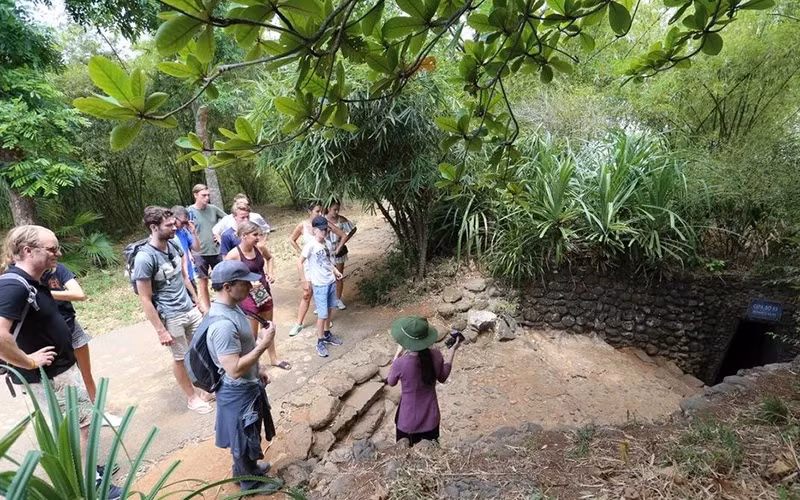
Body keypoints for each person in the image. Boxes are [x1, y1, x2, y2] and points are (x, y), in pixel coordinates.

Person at [0, 225, 123, 498]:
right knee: (79, 428)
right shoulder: (12, 285)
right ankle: (89, 483)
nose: (58, 253)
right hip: (51, 376)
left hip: (60, 371)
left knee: (79, 425)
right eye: (52, 248)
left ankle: (92, 470)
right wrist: (28, 362)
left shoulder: (33, 281)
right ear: (27, 251)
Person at [132, 206, 213, 414]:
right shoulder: (145, 258)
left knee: (200, 349)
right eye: (168, 225)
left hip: (189, 307)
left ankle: (206, 389)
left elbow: (184, 276)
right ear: (153, 227)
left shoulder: (175, 244)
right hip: (170, 315)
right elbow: (145, 298)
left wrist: (198, 302)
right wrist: (161, 330)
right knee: (180, 358)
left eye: (173, 223)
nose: (174, 228)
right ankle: (192, 397)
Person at [206, 260, 277, 493]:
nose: (250, 286)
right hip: (237, 389)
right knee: (244, 437)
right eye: (244, 283)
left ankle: (246, 471)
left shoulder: (233, 307)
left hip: (248, 384)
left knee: (249, 432)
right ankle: (250, 484)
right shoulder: (223, 325)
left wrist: (259, 369)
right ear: (227, 287)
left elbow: (243, 349)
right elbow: (234, 368)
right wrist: (264, 345)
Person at [40, 262, 123, 425]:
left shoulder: (58, 269)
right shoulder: (23, 277)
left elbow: (79, 294)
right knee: (61, 383)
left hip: (71, 327)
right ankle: (65, 424)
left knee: (86, 374)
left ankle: (99, 413)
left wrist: (44, 293)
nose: (56, 254)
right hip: (47, 336)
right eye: (50, 249)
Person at [224, 221, 290, 370]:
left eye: (259, 234)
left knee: (268, 327)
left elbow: (270, 258)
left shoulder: (259, 248)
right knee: (251, 335)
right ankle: (254, 366)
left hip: (264, 291)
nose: (258, 238)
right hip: (247, 297)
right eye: (255, 235)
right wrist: (242, 285)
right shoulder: (234, 255)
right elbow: (225, 277)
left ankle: (274, 358)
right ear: (243, 235)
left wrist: (270, 274)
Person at [387, 316, 461, 445]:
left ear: (406, 341)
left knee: (406, 453)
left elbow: (391, 382)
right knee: (431, 450)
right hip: (431, 418)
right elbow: (443, 377)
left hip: (407, 421)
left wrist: (397, 356)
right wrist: (452, 350)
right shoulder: (436, 355)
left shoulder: (400, 363)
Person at [288, 202, 346, 338]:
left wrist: (337, 250)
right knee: (307, 293)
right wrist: (302, 252)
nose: (320, 214)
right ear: (310, 211)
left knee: (324, 293)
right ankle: (299, 323)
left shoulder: (324, 224)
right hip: (309, 266)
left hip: (323, 265)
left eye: (322, 211)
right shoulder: (303, 225)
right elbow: (292, 240)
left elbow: (343, 235)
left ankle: (325, 323)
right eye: (317, 211)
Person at [298, 215, 344, 357]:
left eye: (327, 230)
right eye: (322, 230)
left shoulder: (327, 244)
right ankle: (320, 340)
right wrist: (303, 280)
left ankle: (327, 334)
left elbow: (327, 261)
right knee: (322, 314)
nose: (325, 232)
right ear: (315, 230)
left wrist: (336, 271)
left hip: (330, 281)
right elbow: (299, 262)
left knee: (329, 310)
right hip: (319, 284)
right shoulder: (310, 245)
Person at [187, 184, 226, 311]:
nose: (207, 198)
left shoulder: (213, 209)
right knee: (203, 280)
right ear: (195, 195)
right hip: (199, 253)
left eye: (208, 195)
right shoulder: (189, 212)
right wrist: (188, 253)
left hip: (216, 250)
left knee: (223, 277)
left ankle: (225, 303)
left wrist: (220, 233)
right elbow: (184, 233)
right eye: (203, 195)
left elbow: (228, 219)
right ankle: (208, 309)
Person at [325, 198, 357, 310]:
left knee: (339, 275)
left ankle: (338, 299)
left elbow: (353, 228)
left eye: (338, 210)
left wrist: (345, 240)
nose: (336, 212)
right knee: (326, 276)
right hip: (326, 251)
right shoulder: (323, 220)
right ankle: (326, 301)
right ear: (328, 208)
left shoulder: (341, 220)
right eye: (334, 210)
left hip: (339, 250)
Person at [171, 205, 200, 291]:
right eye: (183, 222)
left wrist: (193, 233)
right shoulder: (168, 234)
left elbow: (197, 248)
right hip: (177, 279)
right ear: (174, 218)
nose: (184, 225)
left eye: (186, 223)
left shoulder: (184, 231)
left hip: (189, 275)